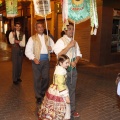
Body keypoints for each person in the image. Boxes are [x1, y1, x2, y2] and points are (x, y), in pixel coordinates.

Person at [53, 22, 82, 118]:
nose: (71, 31)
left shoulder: (75, 42)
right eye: (69, 29)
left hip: (73, 70)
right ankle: (62, 110)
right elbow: (59, 55)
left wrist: (76, 61)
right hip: (63, 71)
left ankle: (72, 110)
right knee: (62, 90)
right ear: (65, 30)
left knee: (72, 90)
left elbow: (78, 54)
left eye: (72, 29)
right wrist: (69, 46)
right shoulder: (60, 41)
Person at [25, 21, 54, 104]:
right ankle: (38, 96)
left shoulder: (48, 37)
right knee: (37, 79)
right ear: (35, 29)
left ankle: (42, 92)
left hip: (46, 61)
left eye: (42, 27)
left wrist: (51, 48)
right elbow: (27, 51)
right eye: (39, 27)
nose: (41, 28)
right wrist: (33, 58)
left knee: (46, 78)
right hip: (36, 61)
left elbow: (54, 47)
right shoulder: (32, 38)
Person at [38, 54, 71, 120]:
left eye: (68, 62)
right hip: (60, 91)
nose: (68, 64)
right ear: (61, 63)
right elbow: (60, 85)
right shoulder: (60, 72)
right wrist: (66, 96)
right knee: (60, 107)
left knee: (52, 106)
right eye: (66, 63)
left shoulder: (59, 68)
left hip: (54, 88)